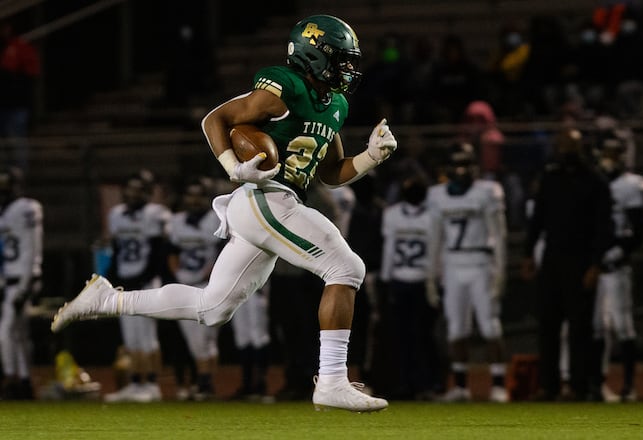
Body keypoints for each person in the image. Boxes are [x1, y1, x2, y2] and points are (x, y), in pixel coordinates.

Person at [51, 14, 397, 413]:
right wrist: (234, 167)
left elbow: (331, 173)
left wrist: (371, 156)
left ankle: (107, 300)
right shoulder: (284, 87)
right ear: (313, 55)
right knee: (346, 268)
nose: (348, 69)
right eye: (340, 59)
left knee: (212, 308)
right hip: (265, 195)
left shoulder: (335, 104)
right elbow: (215, 119)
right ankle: (332, 380)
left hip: (277, 203)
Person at [522, 128, 614, 402]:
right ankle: (548, 386)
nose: (565, 152)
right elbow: (538, 219)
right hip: (553, 258)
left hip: (581, 260)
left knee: (579, 327)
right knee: (548, 325)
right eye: (561, 146)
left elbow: (603, 227)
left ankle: (578, 386)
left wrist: (596, 264)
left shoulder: (595, 181)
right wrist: (528, 254)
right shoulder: (550, 178)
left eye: (569, 147)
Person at [425, 142, 509, 403]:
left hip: (481, 262)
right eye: (457, 165)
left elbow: (499, 234)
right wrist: (431, 275)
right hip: (452, 263)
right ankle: (461, 386)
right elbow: (435, 237)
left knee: (490, 327)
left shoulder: (488, 191)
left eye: (466, 164)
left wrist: (501, 270)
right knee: (456, 330)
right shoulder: (437, 195)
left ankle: (498, 385)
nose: (462, 170)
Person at [591, 131, 643, 402]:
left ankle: (629, 385)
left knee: (623, 325)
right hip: (594, 264)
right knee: (596, 327)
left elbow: (639, 232)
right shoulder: (590, 182)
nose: (611, 158)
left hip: (617, 264)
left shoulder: (631, 185)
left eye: (615, 153)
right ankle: (597, 383)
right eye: (607, 152)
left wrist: (617, 252)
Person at [102, 171, 171, 403]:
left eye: (139, 189)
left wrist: (143, 278)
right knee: (130, 337)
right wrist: (110, 279)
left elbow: (157, 253)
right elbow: (116, 250)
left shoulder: (155, 214)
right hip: (125, 281)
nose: (133, 194)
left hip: (145, 282)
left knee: (146, 336)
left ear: (148, 192)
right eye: (130, 189)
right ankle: (134, 383)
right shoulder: (117, 214)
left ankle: (151, 384)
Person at [380, 176, 442, 400]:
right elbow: (389, 248)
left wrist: (386, 279)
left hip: (419, 281)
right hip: (405, 281)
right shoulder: (395, 214)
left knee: (421, 335)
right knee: (405, 336)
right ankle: (409, 382)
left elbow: (435, 251)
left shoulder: (431, 216)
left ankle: (424, 382)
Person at [167, 177, 223, 400]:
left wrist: (207, 274)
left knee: (206, 339)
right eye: (191, 195)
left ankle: (206, 384)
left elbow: (222, 253)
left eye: (199, 195)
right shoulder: (177, 221)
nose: (194, 200)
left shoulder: (215, 219)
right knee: (197, 340)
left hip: (208, 284)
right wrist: (178, 275)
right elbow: (171, 252)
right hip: (186, 284)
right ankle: (205, 384)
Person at [0, 167, 42, 399]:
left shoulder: (26, 207)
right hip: (9, 279)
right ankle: (24, 382)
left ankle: (11, 379)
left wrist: (25, 285)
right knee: (19, 334)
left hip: (22, 278)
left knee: (6, 332)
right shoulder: (5, 211)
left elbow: (30, 248)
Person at [0, 21, 40, 171]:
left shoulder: (19, 46)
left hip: (17, 105)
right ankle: (6, 173)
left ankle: (20, 173)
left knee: (17, 140)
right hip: (2, 104)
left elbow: (32, 73)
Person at [230, 281, 272, 402]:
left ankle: (260, 384)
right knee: (242, 338)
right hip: (237, 292)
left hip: (256, 290)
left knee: (258, 337)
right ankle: (247, 384)